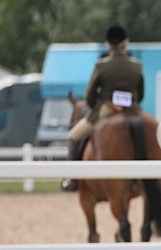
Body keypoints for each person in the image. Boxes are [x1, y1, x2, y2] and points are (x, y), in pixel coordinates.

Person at [62, 24, 144, 191]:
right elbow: (141, 94)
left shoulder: (101, 66)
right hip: (132, 108)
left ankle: (73, 179)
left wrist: (93, 107)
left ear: (109, 44)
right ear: (125, 43)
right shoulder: (136, 66)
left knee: (73, 137)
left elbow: (90, 95)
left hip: (107, 108)